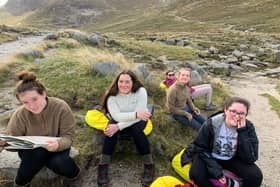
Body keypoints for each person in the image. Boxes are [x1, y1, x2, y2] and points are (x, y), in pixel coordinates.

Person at [6, 71, 80, 187]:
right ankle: (21, 184)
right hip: (32, 151)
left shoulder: (61, 107)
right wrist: (4, 143)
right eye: (25, 102)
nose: (32, 106)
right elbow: (12, 142)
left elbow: (68, 137)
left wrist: (57, 145)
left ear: (44, 93)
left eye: (34, 99)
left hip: (57, 147)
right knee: (36, 154)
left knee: (60, 162)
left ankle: (75, 177)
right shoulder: (20, 115)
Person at [181, 97, 262, 187]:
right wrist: (215, 170)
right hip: (210, 155)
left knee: (256, 176)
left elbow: (251, 157)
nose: (237, 116)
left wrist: (242, 132)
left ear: (246, 115)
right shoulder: (211, 123)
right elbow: (200, 147)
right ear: (226, 110)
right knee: (196, 175)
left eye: (241, 113)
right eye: (233, 111)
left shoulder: (248, 127)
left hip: (232, 158)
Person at [97, 70, 154, 187]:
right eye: (121, 81)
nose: (124, 85)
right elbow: (116, 116)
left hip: (137, 121)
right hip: (124, 117)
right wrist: (134, 115)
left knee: (136, 130)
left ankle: (149, 164)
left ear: (133, 82)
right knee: (109, 131)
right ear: (117, 82)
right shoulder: (111, 95)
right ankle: (103, 166)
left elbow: (140, 116)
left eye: (127, 82)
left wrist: (118, 126)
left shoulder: (141, 91)